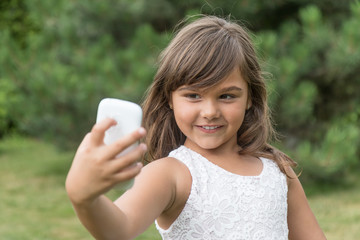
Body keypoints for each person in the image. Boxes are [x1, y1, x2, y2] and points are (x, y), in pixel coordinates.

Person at [66, 15, 327, 240]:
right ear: (169, 97)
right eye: (193, 95)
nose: (210, 112)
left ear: (250, 98)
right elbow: (118, 228)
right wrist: (83, 197)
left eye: (227, 96)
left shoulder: (278, 171)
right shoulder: (170, 175)